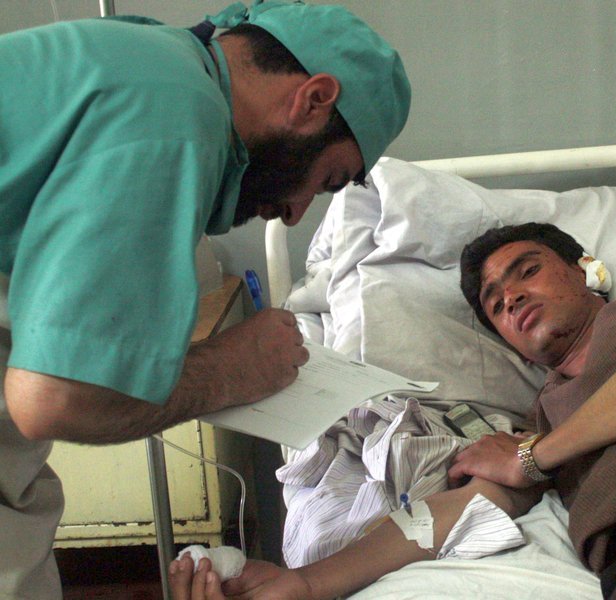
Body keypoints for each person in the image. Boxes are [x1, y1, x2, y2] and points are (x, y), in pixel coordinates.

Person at [170, 222, 616, 599]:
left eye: (527, 269)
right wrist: (304, 585)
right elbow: (447, 514)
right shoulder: (540, 425)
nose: (510, 296)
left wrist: (536, 456)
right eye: (494, 302)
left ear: (585, 269)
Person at [0, 1, 410, 597]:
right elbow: (55, 399)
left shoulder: (151, 59)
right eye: (325, 180)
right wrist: (228, 371)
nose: (295, 214)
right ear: (314, 98)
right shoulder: (173, 117)